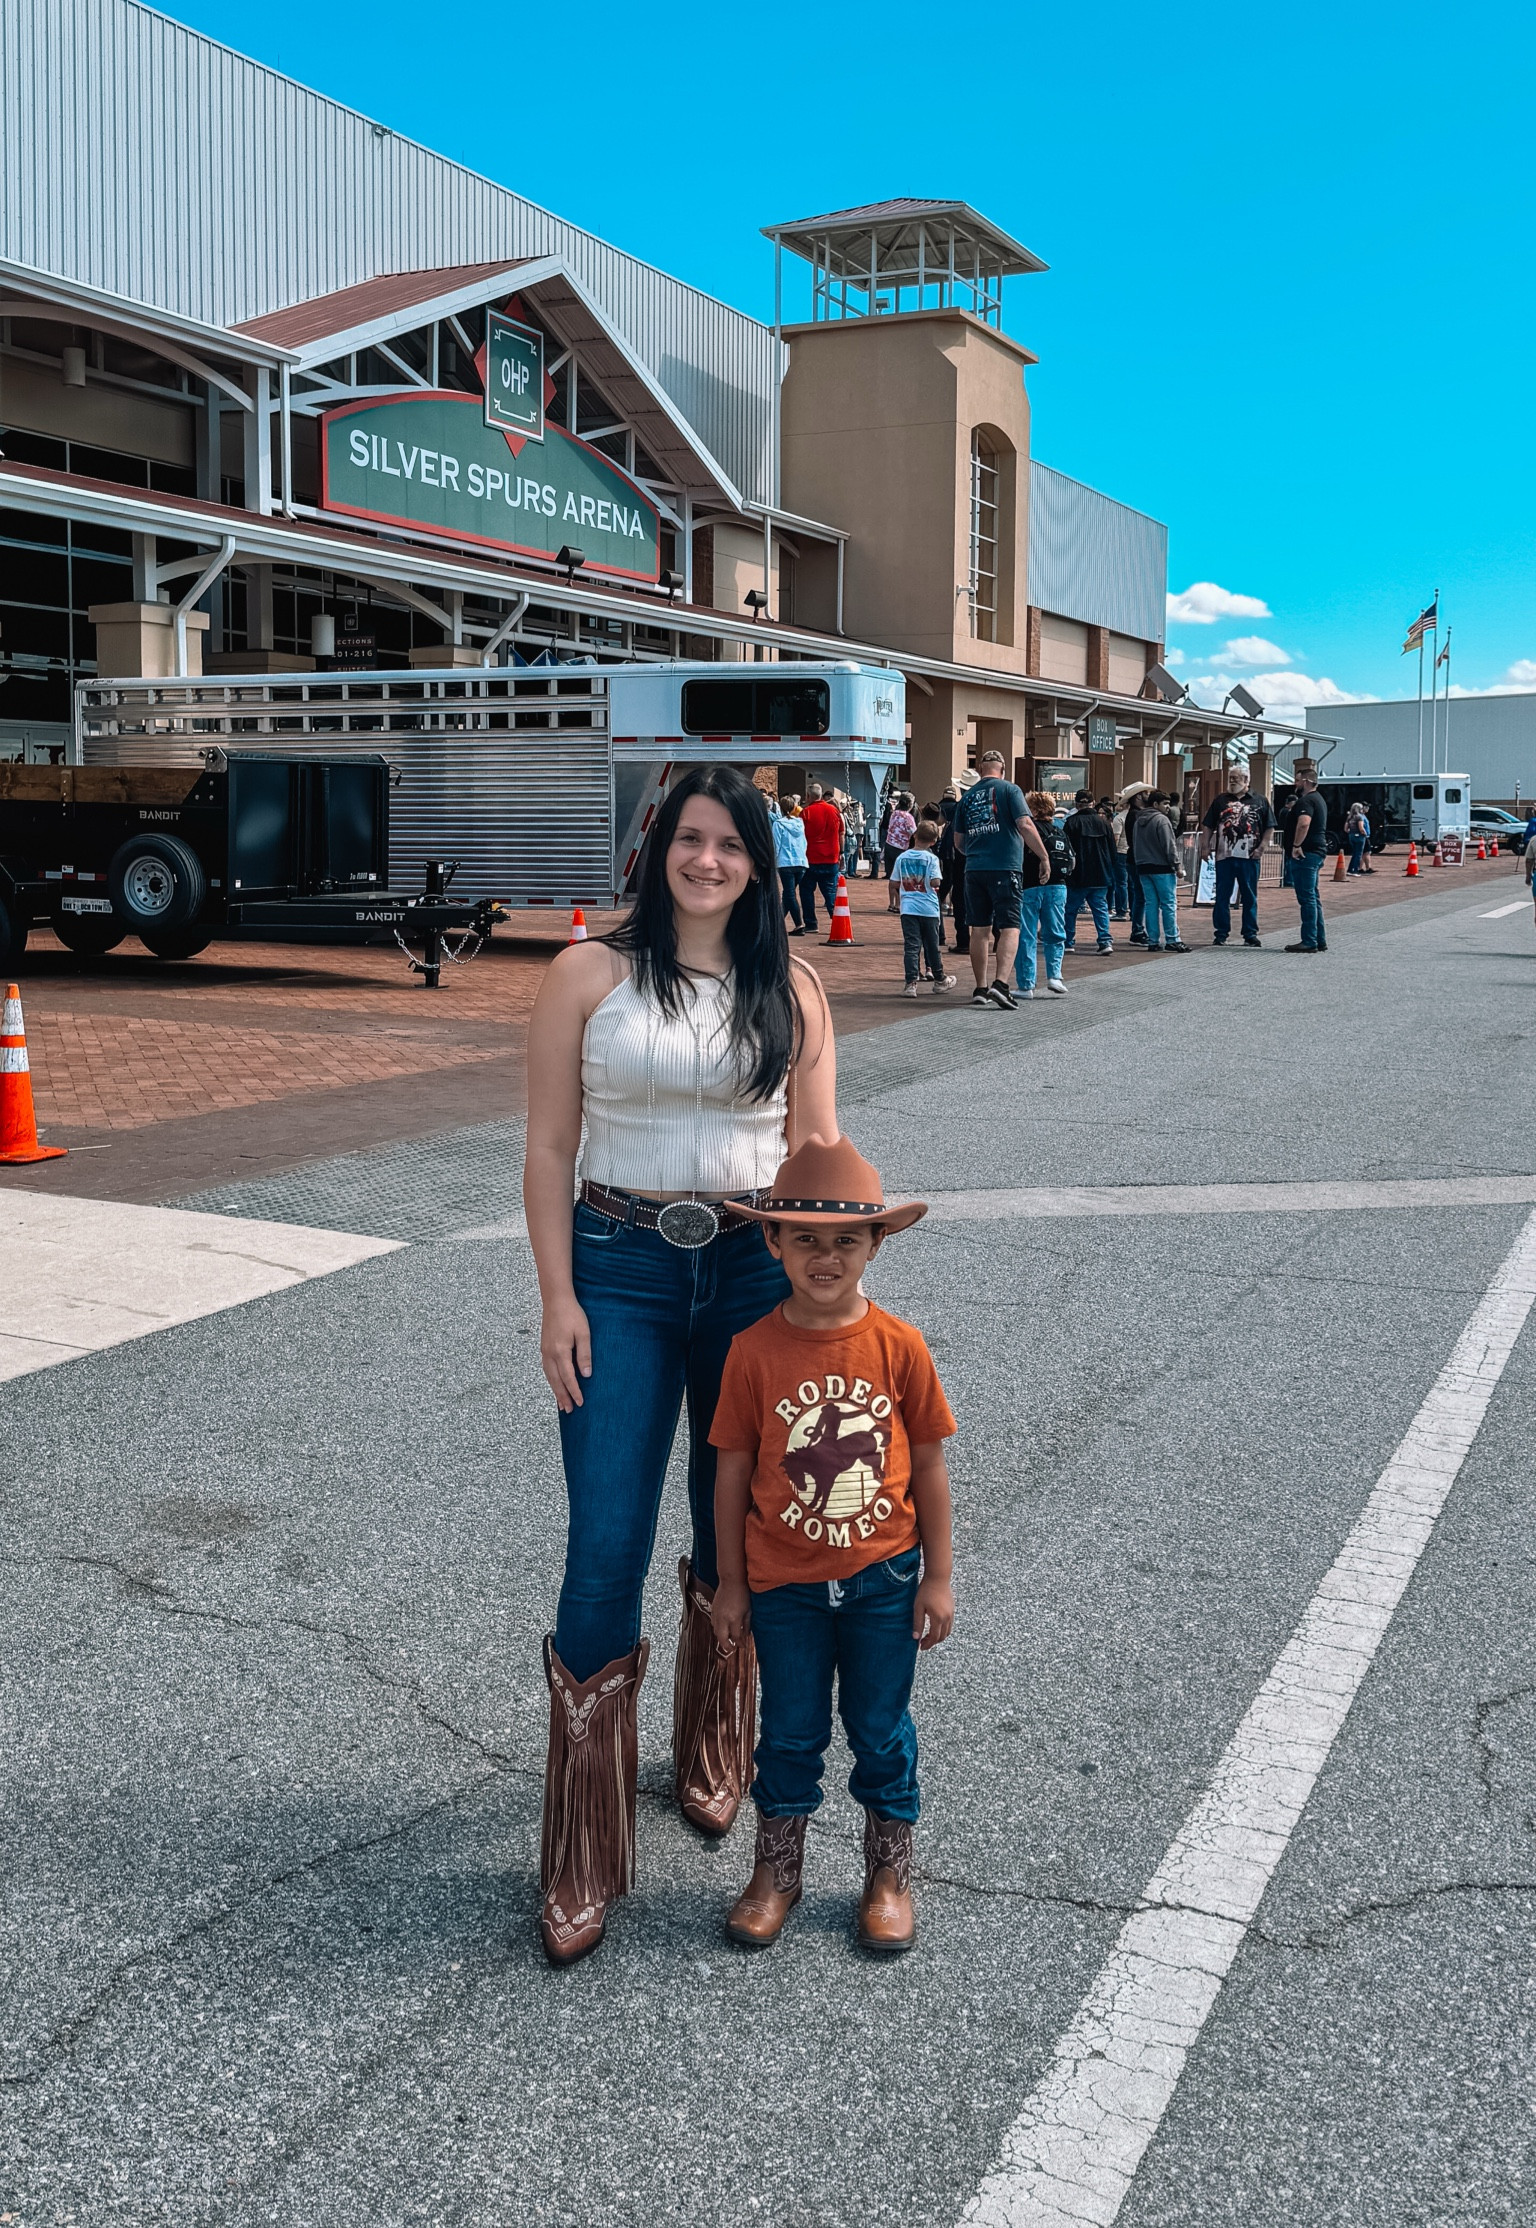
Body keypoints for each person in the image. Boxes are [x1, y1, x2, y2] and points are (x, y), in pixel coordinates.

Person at [522, 763, 838, 1966]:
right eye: (688, 838)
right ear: (658, 848)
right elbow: (549, 1146)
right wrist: (556, 1295)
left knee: (737, 1531)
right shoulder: (585, 975)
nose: (706, 859)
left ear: (759, 864)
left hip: (756, 1269)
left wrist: (838, 1305)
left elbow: (815, 1150)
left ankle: (714, 1743)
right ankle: (582, 1843)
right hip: (620, 1264)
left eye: (730, 844)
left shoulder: (794, 988)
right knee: (602, 1539)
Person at [708, 1134, 956, 1954]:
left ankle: (888, 1871)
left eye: (846, 1239)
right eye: (804, 1238)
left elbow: (927, 1465)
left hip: (885, 1577)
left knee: (880, 1727)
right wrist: (732, 1586)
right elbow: (733, 1474)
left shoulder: (900, 1346)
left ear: (876, 1243)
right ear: (771, 1241)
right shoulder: (751, 1352)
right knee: (789, 1730)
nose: (825, 1256)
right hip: (784, 1586)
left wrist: (939, 1578)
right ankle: (776, 1869)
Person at [955, 747, 1049, 1010]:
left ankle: (980, 987)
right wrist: (1043, 856)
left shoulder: (967, 797)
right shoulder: (1010, 790)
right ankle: (1001, 984)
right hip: (1005, 867)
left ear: (978, 771)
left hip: (974, 869)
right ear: (1003, 770)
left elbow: (958, 841)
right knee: (1010, 925)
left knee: (980, 929)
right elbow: (1025, 825)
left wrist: (977, 851)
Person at [1199, 769, 1273, 948]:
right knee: (1222, 896)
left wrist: (1262, 847)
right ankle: (1221, 933)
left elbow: (1269, 826)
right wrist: (1205, 846)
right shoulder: (1221, 800)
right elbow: (1208, 825)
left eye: (1236, 778)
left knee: (1249, 895)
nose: (1231, 781)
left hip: (1250, 856)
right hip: (1225, 856)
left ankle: (1250, 934)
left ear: (1246, 779)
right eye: (1230, 778)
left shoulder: (1260, 800)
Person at [1015, 789, 1073, 996]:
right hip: (1058, 885)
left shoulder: (1026, 829)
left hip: (1029, 884)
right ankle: (1055, 976)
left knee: (1026, 935)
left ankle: (1026, 984)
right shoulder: (1060, 830)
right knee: (1055, 932)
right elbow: (1072, 859)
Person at [892, 819, 956, 996]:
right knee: (932, 945)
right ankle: (939, 978)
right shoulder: (931, 858)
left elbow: (894, 882)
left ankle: (911, 983)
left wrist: (901, 896)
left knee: (912, 946)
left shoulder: (902, 858)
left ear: (915, 835)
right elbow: (935, 881)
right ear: (934, 841)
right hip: (928, 907)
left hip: (908, 908)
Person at [1131, 788, 1188, 952]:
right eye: (1165, 803)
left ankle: (1153, 940)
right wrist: (1177, 865)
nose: (1168, 807)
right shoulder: (1161, 820)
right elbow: (1169, 846)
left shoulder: (1138, 820)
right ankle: (1172, 939)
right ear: (1155, 804)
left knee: (1151, 905)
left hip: (1143, 866)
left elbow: (1135, 844)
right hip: (1162, 867)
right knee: (1168, 904)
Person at [1281, 763, 1329, 954]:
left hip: (1306, 853)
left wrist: (1296, 845)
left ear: (1307, 781)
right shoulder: (1319, 799)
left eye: (1298, 780)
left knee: (1307, 897)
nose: (1295, 783)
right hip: (1316, 852)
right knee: (1313, 897)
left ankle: (1309, 940)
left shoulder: (1306, 802)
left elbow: (1304, 824)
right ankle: (1319, 938)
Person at [1063, 789, 1116, 955]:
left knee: (1070, 910)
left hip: (1078, 874)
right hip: (1101, 873)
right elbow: (1112, 850)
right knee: (1100, 908)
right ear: (1093, 803)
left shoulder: (1071, 822)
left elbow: (1066, 850)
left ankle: (1069, 941)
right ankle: (1105, 941)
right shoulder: (1104, 823)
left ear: (1077, 804)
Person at [800, 782, 844, 935]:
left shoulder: (805, 812)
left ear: (808, 796)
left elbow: (801, 836)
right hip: (831, 857)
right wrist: (841, 853)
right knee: (831, 892)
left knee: (806, 892)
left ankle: (811, 923)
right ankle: (837, 920)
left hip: (810, 858)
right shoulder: (834, 811)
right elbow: (841, 833)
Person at [937, 782, 968, 955]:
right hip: (978, 859)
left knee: (958, 896)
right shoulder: (964, 806)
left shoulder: (958, 807)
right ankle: (995, 942)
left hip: (956, 855)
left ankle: (964, 941)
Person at [773, 794, 808, 934]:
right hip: (800, 862)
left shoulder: (778, 824)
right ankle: (777, 923)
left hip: (785, 862)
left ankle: (799, 924)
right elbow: (804, 842)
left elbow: (776, 844)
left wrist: (772, 861)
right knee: (788, 894)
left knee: (789, 894)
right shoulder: (800, 823)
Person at [884, 791, 916, 912]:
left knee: (892, 877)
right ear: (909, 804)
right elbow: (914, 832)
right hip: (900, 849)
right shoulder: (908, 817)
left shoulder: (894, 813)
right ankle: (898, 905)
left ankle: (891, 903)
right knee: (900, 878)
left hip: (889, 845)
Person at [1100, 797, 1129, 920]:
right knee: (1130, 884)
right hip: (1130, 851)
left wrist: (1111, 854)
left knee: (1120, 883)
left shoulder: (1119, 818)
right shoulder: (1134, 816)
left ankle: (1121, 911)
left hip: (1120, 852)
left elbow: (1116, 838)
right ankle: (1129, 909)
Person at [1345, 801, 1368, 875]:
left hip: (1351, 836)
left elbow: (1346, 829)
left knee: (1354, 853)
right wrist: (1365, 833)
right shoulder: (1359, 817)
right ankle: (1355, 870)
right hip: (1359, 836)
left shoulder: (1349, 817)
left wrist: (1351, 832)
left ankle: (1350, 869)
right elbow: (1361, 828)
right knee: (1358, 854)